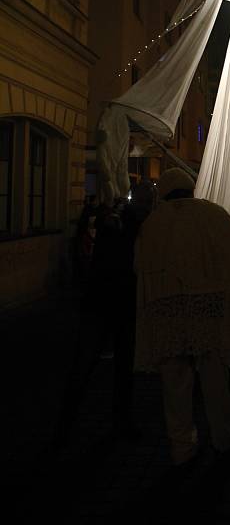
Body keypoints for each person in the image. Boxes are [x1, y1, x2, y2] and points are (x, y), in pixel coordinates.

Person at [134, 167, 230, 468]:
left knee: (175, 382)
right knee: (215, 377)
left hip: (167, 311)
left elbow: (138, 264)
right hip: (208, 308)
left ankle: (182, 448)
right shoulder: (213, 215)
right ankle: (224, 438)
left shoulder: (153, 224)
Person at [55, 182, 155, 445]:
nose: (148, 207)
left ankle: (69, 425)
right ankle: (113, 422)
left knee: (98, 366)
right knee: (111, 366)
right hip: (112, 303)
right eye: (146, 202)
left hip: (105, 303)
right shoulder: (129, 224)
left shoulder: (123, 221)